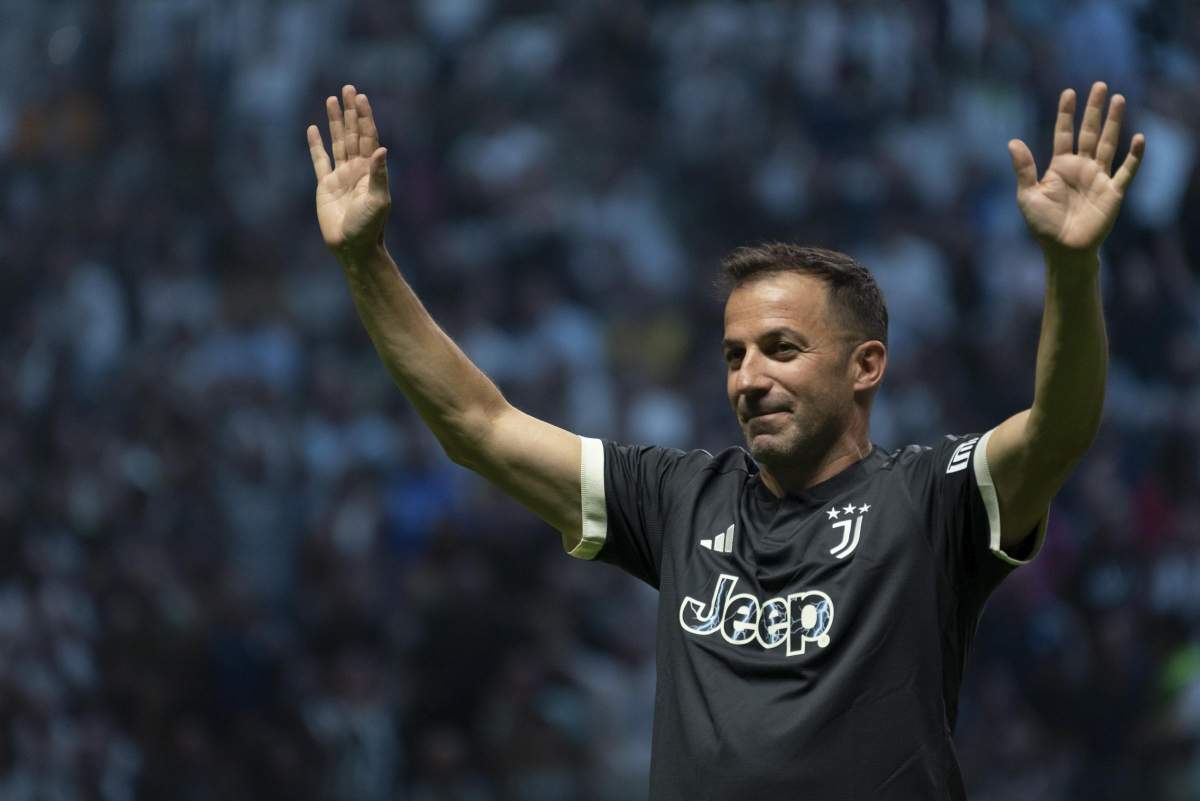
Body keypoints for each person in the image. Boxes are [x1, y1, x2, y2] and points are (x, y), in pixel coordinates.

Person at [306, 82, 1145, 800]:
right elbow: (480, 426)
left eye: (781, 349)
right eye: (734, 355)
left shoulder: (928, 499)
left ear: (865, 366)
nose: (749, 378)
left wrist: (1073, 271)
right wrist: (365, 263)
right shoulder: (679, 498)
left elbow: (1058, 430)